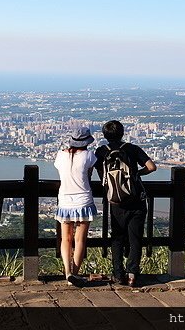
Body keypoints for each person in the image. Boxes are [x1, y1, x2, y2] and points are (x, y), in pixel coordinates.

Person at [95, 120, 157, 287]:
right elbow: (152, 167)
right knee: (135, 238)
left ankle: (117, 274)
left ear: (105, 135)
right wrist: (136, 174)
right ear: (122, 133)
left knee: (117, 238)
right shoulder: (132, 149)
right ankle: (132, 274)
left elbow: (89, 170)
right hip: (136, 199)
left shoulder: (101, 152)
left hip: (115, 201)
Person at [54, 126, 98, 287]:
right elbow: (88, 174)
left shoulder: (60, 155)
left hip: (65, 200)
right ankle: (76, 274)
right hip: (84, 200)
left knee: (65, 239)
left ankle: (67, 272)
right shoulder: (89, 156)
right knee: (80, 240)